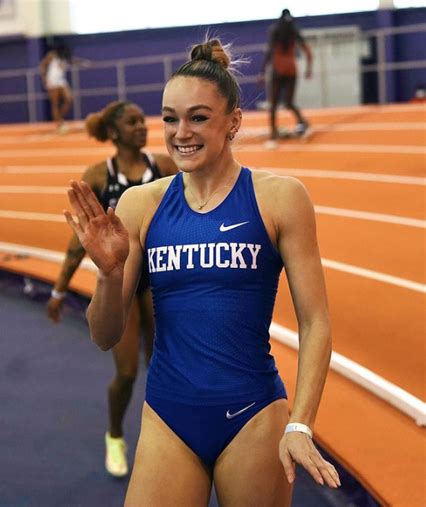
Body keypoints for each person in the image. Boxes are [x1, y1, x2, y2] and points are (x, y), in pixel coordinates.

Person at [64, 38, 340, 505]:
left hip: (253, 415)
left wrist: (301, 423)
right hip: (168, 416)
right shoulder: (140, 204)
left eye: (198, 117)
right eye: (170, 118)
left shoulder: (280, 198)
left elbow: (316, 322)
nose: (180, 132)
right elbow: (104, 336)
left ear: (233, 121)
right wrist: (110, 277)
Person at [47, 100, 178, 477]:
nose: (142, 126)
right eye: (133, 122)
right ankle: (116, 435)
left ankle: (165, 442)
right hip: (122, 282)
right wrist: (58, 291)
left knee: (163, 369)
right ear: (116, 132)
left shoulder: (163, 168)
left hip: (158, 280)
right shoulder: (100, 176)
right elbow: (77, 244)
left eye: (143, 120)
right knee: (127, 373)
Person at [259, 9, 313, 147]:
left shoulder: (275, 30)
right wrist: (308, 69)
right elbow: (307, 51)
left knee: (273, 105)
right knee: (289, 102)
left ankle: (273, 136)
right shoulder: (293, 31)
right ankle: (304, 124)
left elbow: (270, 51)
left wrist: (262, 72)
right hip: (291, 70)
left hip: (277, 70)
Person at [39, 44, 88, 133]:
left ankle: (60, 118)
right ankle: (59, 124)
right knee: (55, 103)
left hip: (61, 81)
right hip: (52, 81)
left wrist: (83, 63)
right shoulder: (52, 55)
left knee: (69, 99)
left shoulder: (65, 58)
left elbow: (73, 61)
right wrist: (44, 79)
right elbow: (42, 65)